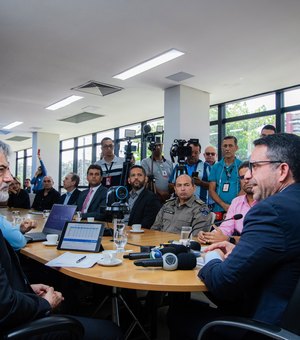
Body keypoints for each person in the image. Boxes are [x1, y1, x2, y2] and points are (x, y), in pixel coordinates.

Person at [170, 133, 300, 340]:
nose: (247, 176)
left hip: (267, 327)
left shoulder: (271, 210)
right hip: (291, 319)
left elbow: (223, 282)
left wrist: (210, 257)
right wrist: (240, 250)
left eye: (255, 166)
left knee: (180, 312)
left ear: (283, 170)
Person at [0, 142, 123, 339]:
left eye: (8, 169)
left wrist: (24, 289)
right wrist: (44, 303)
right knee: (112, 332)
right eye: (1, 169)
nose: (9, 178)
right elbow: (5, 308)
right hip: (15, 328)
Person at [198, 161, 256, 244]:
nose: (246, 180)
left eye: (250, 176)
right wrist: (209, 236)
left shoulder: (268, 201)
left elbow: (258, 237)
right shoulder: (236, 202)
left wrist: (229, 239)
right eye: (242, 177)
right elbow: (226, 228)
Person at [208, 135, 242, 217]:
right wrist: (223, 205)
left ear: (236, 148)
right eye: (225, 146)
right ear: (221, 148)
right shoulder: (215, 167)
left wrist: (233, 206)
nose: (227, 148)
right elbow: (211, 190)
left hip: (237, 209)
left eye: (230, 146)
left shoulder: (241, 166)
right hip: (218, 209)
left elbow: (244, 188)